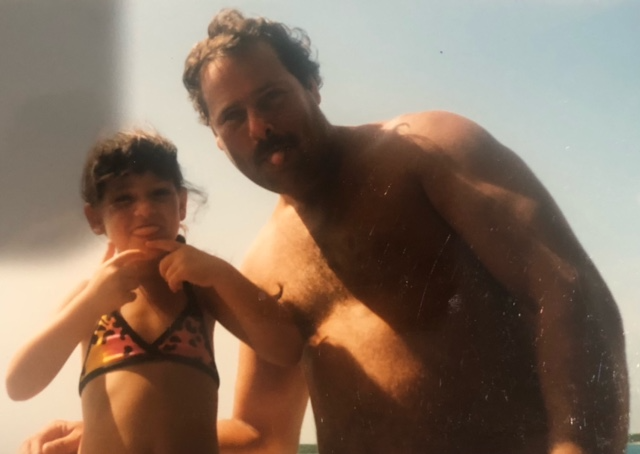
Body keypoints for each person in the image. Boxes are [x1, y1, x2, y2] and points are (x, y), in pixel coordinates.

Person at [23, 9, 630, 454]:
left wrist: (576, 447)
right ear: (216, 137)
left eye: (273, 97)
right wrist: (111, 435)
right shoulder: (261, 265)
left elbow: (563, 287)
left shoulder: (424, 151)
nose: (259, 127)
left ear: (312, 86)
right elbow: (262, 433)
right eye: (232, 116)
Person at [7, 128, 302, 454]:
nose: (145, 210)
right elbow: (18, 384)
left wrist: (222, 273)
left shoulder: (202, 290)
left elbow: (287, 350)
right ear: (95, 218)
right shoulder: (90, 297)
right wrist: (90, 303)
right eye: (123, 199)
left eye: (159, 193)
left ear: (182, 204)